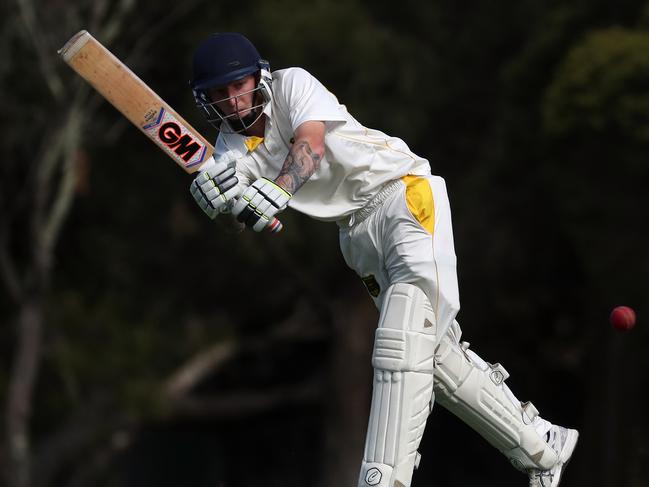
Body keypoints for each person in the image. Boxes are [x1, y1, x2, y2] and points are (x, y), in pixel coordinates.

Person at [188, 32, 579, 487]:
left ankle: (381, 481)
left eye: (239, 85)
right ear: (207, 99)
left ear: (259, 77)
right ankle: (541, 445)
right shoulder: (229, 151)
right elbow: (238, 219)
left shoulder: (293, 85)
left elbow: (310, 147)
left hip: (403, 198)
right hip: (356, 236)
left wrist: (278, 190)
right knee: (431, 357)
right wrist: (218, 207)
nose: (233, 100)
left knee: (398, 344)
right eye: (220, 92)